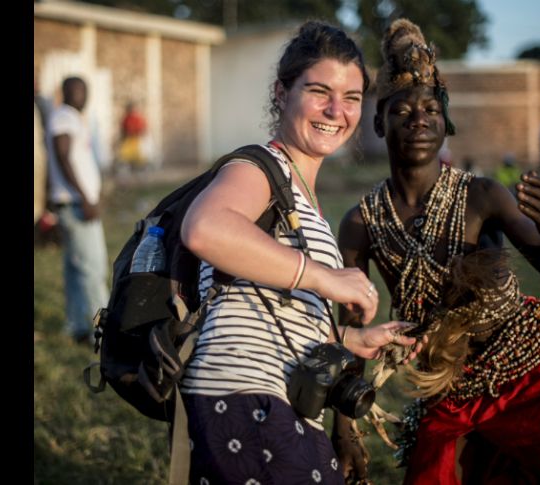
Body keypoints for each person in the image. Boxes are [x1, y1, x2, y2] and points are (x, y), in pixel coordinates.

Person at [334, 19, 540, 484]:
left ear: (445, 120)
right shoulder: (360, 223)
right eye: (401, 110)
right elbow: (350, 328)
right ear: (378, 121)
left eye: (431, 107)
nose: (418, 120)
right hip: (446, 391)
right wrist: (345, 425)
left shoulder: (483, 195)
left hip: (529, 372)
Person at [178, 21, 424, 485]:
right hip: (244, 398)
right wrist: (326, 278)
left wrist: (351, 342)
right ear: (281, 92)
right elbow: (205, 227)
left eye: (351, 97)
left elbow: (258, 303)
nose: (337, 110)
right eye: (319, 91)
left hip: (272, 401)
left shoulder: (299, 191)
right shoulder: (257, 167)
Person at [46, 76, 110, 344]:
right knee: (93, 269)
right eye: (74, 90)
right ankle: (105, 334)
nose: (80, 95)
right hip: (76, 205)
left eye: (83, 90)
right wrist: (84, 197)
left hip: (71, 202)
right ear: (64, 93)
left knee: (75, 270)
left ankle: (77, 328)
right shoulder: (64, 117)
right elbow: (62, 155)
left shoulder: (70, 117)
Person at [116, 101, 148, 172]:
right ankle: (126, 169)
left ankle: (140, 169)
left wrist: (140, 135)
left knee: (139, 156)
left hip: (136, 139)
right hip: (128, 139)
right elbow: (123, 128)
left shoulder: (138, 118)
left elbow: (142, 128)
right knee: (124, 155)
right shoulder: (126, 118)